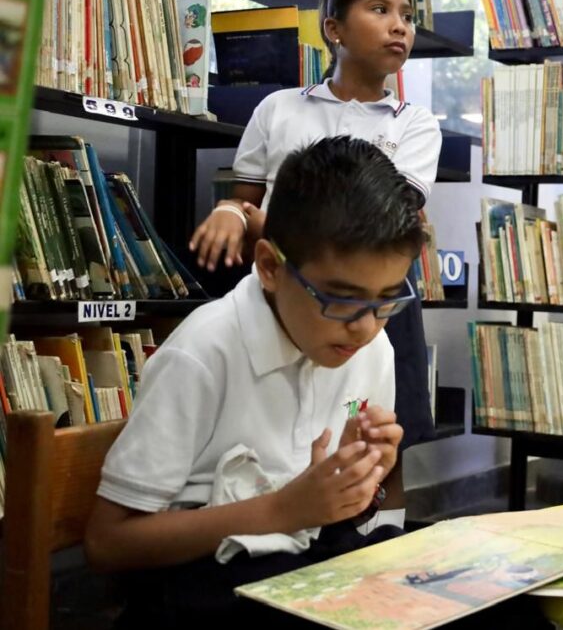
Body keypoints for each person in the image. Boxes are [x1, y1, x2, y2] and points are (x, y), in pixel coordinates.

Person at [85, 137, 419, 627]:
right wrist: (284, 509)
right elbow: (108, 543)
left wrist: (361, 482)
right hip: (200, 583)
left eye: (387, 300)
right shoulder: (204, 352)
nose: (366, 326)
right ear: (269, 267)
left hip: (305, 558)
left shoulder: (372, 348)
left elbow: (343, 518)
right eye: (342, 300)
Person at [187, 0, 442, 458]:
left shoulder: (416, 124)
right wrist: (231, 212)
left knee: (383, 436)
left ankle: (379, 530)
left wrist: (245, 217)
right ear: (334, 29)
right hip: (292, 290)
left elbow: (381, 228)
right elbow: (244, 198)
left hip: (374, 299)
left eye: (407, 16)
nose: (400, 27)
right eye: (380, 9)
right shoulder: (278, 108)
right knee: (286, 429)